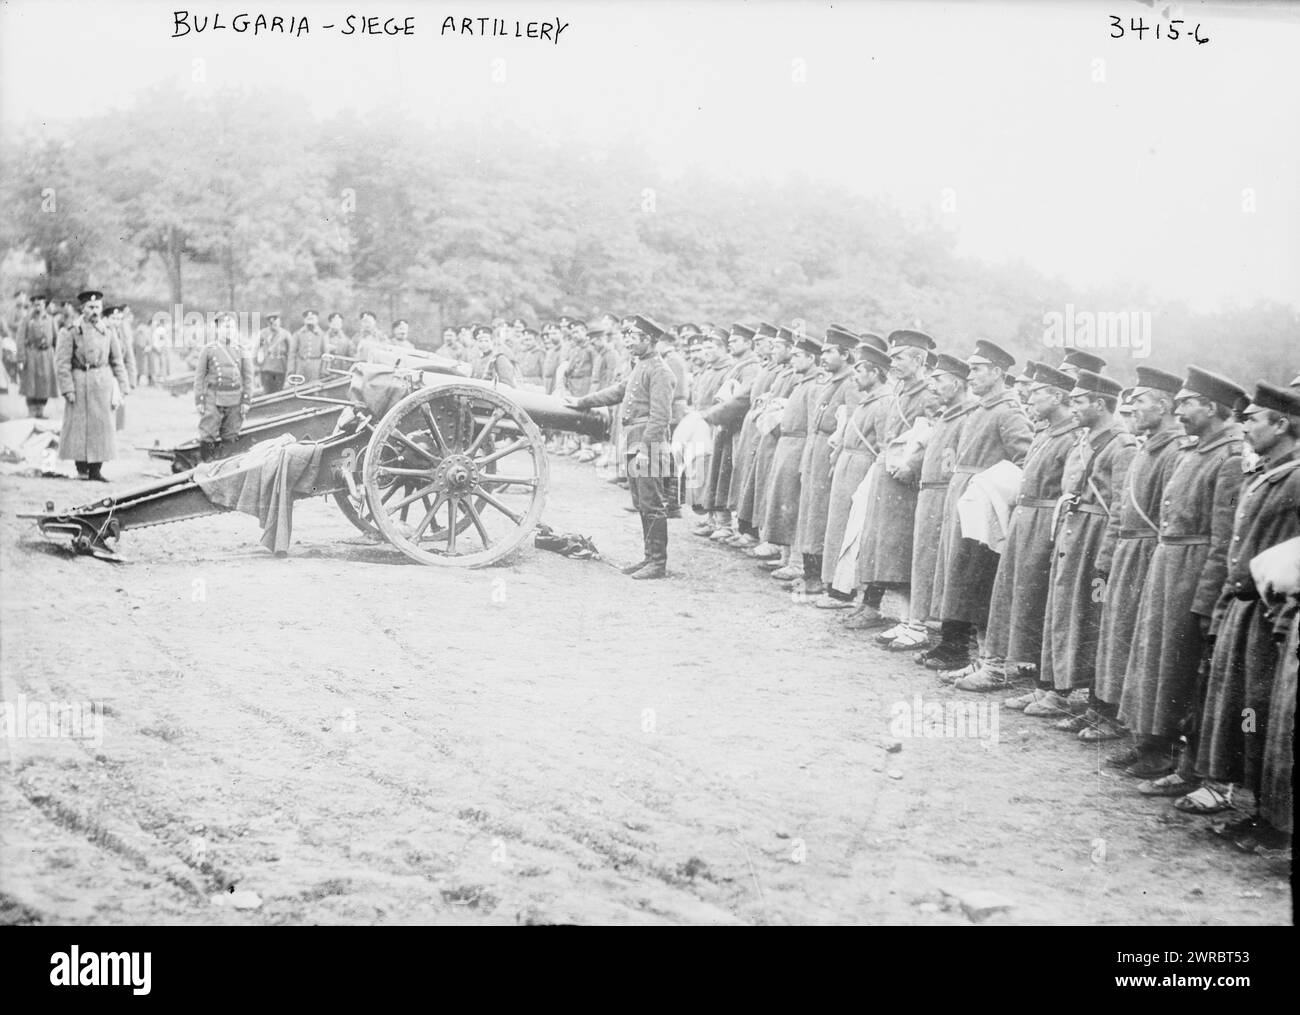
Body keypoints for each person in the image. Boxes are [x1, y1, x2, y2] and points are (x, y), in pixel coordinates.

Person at [1114, 367, 1245, 788]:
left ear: (1212, 407)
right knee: (1153, 656)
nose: (1180, 409)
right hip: (1168, 563)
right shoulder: (1195, 450)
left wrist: (1208, 598)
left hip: (1193, 569)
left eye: (1188, 402)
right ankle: (1150, 741)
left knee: (1177, 666)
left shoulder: (1229, 458)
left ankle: (1171, 753)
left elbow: (1224, 539)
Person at [1182, 381, 1300, 846]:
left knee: (1268, 715)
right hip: (1244, 610)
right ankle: (1256, 806)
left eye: (1254, 418)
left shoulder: (1293, 477)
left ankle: (1276, 822)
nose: (1245, 424)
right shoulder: (1267, 471)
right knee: (1245, 711)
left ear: (1282, 425)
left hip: (1274, 615)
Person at [1027, 369, 1139, 717]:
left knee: (1091, 617)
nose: (1072, 408)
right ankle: (1054, 691)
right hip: (1074, 533)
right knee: (1062, 611)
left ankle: (1091, 703)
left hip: (1096, 539)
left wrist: (1106, 557)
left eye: (1079, 402)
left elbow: (1121, 506)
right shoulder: (1086, 437)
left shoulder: (1121, 445)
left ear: (1100, 404)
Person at [1085, 366, 1188, 740]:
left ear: (1163, 406)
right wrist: (1108, 555)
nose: (1132, 408)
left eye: (1140, 402)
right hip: (1128, 550)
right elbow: (1120, 509)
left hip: (1149, 554)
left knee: (1135, 642)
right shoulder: (1147, 446)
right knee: (1116, 637)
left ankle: (1132, 728)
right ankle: (1111, 714)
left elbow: (1168, 515)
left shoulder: (1175, 450)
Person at [924, 340, 1035, 676]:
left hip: (983, 503)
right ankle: (951, 641)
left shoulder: (1008, 410)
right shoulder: (981, 407)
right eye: (969, 369)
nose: (969, 375)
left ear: (998, 372)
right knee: (953, 570)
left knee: (973, 575)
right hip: (963, 494)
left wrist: (993, 489)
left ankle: (966, 650)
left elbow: (1024, 459)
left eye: (976, 369)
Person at [977, 364, 1082, 698]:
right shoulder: (1045, 430)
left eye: (1038, 393)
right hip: (1025, 518)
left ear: (1057, 396)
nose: (1030, 398)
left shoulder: (1072, 436)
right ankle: (1000, 667)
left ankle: (1037, 681)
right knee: (1011, 595)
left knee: (1035, 600)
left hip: (1046, 524)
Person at [875, 351, 979, 647]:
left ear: (957, 384)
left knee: (935, 563)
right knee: (920, 560)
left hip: (945, 494)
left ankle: (920, 627)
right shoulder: (949, 414)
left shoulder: (968, 415)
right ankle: (912, 622)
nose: (932, 387)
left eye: (939, 381)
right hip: (929, 491)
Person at [566, 314, 676, 580]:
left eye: (633, 339)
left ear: (649, 340)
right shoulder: (641, 366)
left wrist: (644, 448)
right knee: (641, 502)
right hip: (633, 438)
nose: (628, 343)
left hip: (647, 442)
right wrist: (582, 402)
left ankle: (657, 563)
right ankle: (649, 558)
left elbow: (660, 417)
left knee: (652, 504)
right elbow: (616, 392)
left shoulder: (661, 371)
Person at [848, 329, 936, 624]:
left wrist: (913, 465)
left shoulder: (930, 395)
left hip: (907, 482)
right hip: (887, 474)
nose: (893, 363)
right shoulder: (899, 390)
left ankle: (908, 621)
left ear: (918, 359)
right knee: (876, 543)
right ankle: (870, 606)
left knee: (900, 551)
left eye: (899, 358)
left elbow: (933, 439)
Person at [819, 339, 896, 609]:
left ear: (875, 373)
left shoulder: (884, 402)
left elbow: (886, 445)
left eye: (861, 371)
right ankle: (835, 586)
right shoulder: (868, 400)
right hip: (848, 464)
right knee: (838, 527)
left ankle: (845, 592)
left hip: (862, 469)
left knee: (851, 531)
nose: (856, 377)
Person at [791, 327, 860, 597]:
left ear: (845, 354)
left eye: (830, 351)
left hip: (829, 454)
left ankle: (819, 576)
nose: (823, 356)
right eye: (823, 351)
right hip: (814, 451)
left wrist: (835, 456)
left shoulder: (850, 383)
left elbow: (852, 425)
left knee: (820, 515)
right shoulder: (830, 381)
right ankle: (809, 573)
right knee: (809, 512)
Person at [758, 336, 821, 582]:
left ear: (810, 358)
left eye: (797, 355)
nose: (793, 359)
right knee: (782, 500)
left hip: (799, 447)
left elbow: (813, 426)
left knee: (793, 504)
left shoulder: (815, 385)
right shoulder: (801, 381)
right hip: (787, 444)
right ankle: (785, 557)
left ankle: (796, 562)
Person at [54, 289, 129, 482]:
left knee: (101, 428)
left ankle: (96, 470)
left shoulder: (108, 331)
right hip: (79, 382)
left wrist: (123, 386)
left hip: (102, 383)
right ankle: (81, 469)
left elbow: (117, 360)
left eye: (97, 307)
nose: (94, 311)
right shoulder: (71, 330)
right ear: (82, 308)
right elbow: (62, 363)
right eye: (90, 307)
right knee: (79, 427)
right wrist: (67, 388)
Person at [700, 323, 762, 539]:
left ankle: (732, 526)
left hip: (737, 427)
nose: (731, 344)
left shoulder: (751, 367)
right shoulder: (739, 365)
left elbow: (741, 399)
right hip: (726, 425)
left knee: (733, 475)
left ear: (748, 343)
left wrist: (712, 414)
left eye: (736, 341)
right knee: (720, 473)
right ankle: (721, 523)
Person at [193, 312, 254, 461]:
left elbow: (248, 378)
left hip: (235, 399)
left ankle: (226, 467)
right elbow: (199, 377)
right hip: (213, 397)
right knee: (208, 433)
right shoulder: (208, 350)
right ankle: (207, 465)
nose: (229, 330)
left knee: (231, 434)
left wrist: (246, 400)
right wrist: (199, 400)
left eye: (232, 327)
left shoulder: (242, 350)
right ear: (217, 329)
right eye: (225, 327)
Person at [17, 293, 59, 417]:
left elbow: (57, 339)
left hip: (46, 355)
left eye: (40, 304)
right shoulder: (27, 320)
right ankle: (31, 411)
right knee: (31, 384)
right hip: (31, 354)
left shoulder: (51, 320)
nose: (38, 307)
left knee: (45, 383)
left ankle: (40, 410)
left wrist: (58, 357)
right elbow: (20, 339)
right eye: (35, 305)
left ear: (44, 305)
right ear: (32, 306)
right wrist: (21, 357)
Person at [288, 310, 329, 382]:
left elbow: (325, 354)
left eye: (312, 319)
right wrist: (291, 370)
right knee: (298, 389)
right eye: (308, 319)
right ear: (304, 320)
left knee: (314, 390)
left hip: (316, 368)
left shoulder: (322, 335)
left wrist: (324, 370)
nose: (310, 321)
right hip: (301, 368)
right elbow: (292, 353)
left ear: (317, 320)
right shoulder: (298, 334)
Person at [255, 313, 291, 393]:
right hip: (266, 369)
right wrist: (256, 366)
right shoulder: (263, 334)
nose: (273, 324)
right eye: (270, 323)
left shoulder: (285, 334)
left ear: (279, 322)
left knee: (279, 394)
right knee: (267, 393)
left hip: (280, 369)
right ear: (268, 323)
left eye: (275, 322)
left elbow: (291, 353)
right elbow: (255, 350)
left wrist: (289, 370)